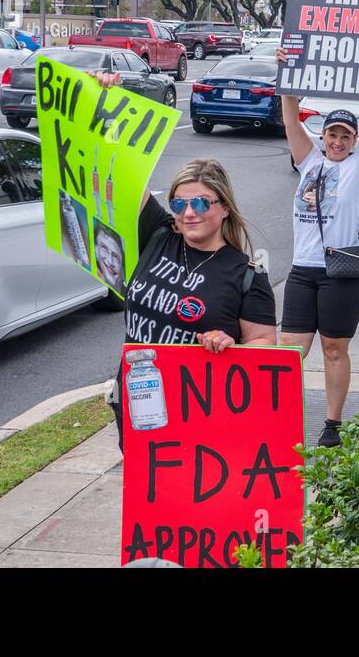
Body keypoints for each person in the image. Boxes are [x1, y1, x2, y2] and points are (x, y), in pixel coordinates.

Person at [93, 73, 279, 449]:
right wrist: (102, 103)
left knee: (182, 504)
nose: (188, 213)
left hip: (198, 412)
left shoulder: (246, 275)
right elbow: (120, 167)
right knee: (143, 499)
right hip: (137, 398)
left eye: (200, 203)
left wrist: (231, 344)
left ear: (224, 207)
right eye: (179, 203)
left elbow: (265, 345)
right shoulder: (159, 234)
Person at [277, 48, 359, 448]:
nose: (336, 141)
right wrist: (287, 72)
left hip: (342, 271)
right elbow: (289, 117)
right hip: (303, 269)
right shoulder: (309, 160)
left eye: (344, 136)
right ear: (324, 136)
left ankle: (332, 425)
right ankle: (276, 420)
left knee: (334, 348)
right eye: (332, 134)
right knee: (289, 355)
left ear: (354, 140)